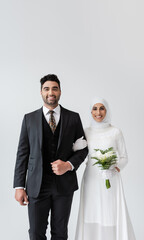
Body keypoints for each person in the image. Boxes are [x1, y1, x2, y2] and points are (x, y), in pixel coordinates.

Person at [13, 74, 88, 240]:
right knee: (35, 233)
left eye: (54, 88)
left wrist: (68, 165)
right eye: (46, 89)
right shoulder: (29, 119)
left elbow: (83, 149)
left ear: (60, 91)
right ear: (41, 92)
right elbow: (22, 154)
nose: (51, 92)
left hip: (64, 185)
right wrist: (19, 186)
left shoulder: (73, 118)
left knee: (60, 233)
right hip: (36, 185)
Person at [75, 97, 136, 240]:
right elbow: (77, 151)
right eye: (95, 109)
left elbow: (124, 157)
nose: (98, 112)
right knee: (91, 212)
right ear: (90, 111)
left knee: (110, 213)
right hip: (91, 179)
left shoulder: (115, 131)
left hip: (111, 179)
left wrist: (114, 168)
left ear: (106, 111)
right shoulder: (86, 131)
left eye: (101, 108)